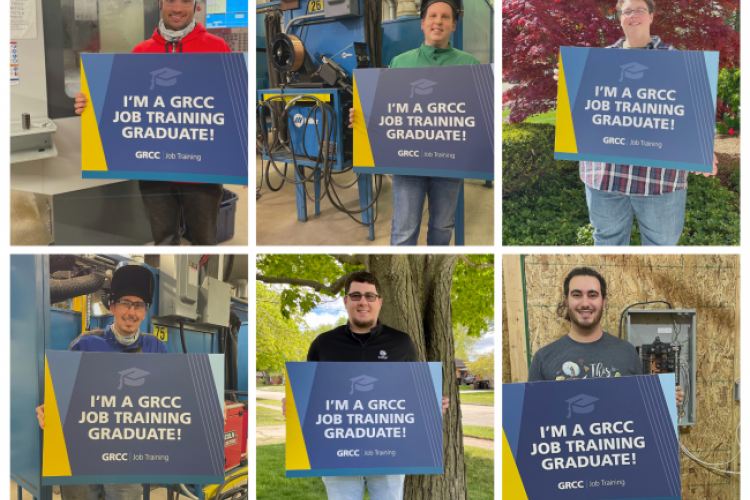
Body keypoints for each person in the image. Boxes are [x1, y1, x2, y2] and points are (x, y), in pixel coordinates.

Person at [553, 0, 718, 246]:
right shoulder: (596, 62)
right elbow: (585, 114)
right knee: (607, 246)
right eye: (627, 11)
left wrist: (703, 148)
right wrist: (569, 84)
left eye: (639, 9)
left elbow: (692, 109)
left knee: (661, 250)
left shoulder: (680, 61)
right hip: (605, 177)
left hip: (660, 180)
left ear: (651, 16)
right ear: (619, 18)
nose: (633, 15)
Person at [74, 0, 231, 245]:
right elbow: (127, 104)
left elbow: (230, 104)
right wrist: (91, 105)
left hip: (201, 171)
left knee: (204, 242)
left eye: (185, 1)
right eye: (170, 0)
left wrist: (238, 160)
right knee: (164, 239)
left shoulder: (217, 47)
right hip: (154, 169)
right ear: (160, 3)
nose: (177, 8)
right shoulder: (142, 51)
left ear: (196, 5)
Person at [283, 271, 449, 500]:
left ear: (380, 302)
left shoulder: (402, 343)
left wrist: (431, 405)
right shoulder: (323, 344)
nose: (363, 302)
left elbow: (411, 392)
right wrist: (295, 405)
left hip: (389, 453)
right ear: (345, 301)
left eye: (370, 296)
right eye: (356, 295)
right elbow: (311, 396)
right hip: (337, 455)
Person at [350, 0, 480, 246]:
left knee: (442, 227)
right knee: (404, 230)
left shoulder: (470, 65)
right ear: (422, 23)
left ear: (454, 25)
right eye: (432, 16)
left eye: (444, 17)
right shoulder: (401, 62)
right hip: (408, 161)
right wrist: (362, 116)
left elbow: (477, 116)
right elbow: (389, 110)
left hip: (449, 162)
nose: (438, 21)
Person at [36, 263, 165, 500]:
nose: (131, 312)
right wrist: (51, 409)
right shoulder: (85, 343)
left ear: (145, 311)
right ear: (112, 306)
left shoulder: (155, 347)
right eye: (126, 303)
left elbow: (168, 396)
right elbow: (66, 395)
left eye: (139, 306)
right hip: (81, 451)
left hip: (126, 455)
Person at [528, 267, 685, 408]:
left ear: (603, 302)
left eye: (592, 295)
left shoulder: (627, 352)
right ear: (566, 301)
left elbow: (639, 408)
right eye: (577, 295)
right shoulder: (543, 358)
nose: (585, 303)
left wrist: (662, 399)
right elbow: (533, 415)